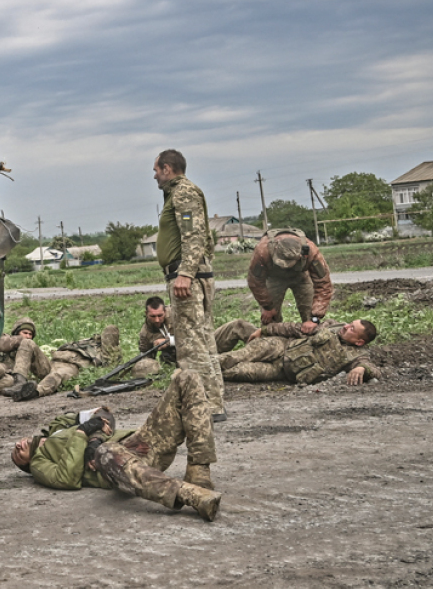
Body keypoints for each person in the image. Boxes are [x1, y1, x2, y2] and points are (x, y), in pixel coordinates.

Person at [10, 368, 221, 521]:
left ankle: (199, 470)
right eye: (18, 457)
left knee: (187, 377)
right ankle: (191, 495)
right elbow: (67, 478)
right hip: (115, 464)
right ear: (27, 465)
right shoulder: (40, 463)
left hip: (140, 443)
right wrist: (85, 434)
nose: (18, 448)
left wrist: (93, 437)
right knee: (105, 452)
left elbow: (103, 414)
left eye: (16, 447)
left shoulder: (57, 426)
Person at [153, 149, 226, 421]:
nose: (155, 176)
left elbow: (194, 236)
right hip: (192, 275)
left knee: (192, 344)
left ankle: (204, 405)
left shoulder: (183, 192)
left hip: (187, 278)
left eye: (156, 170)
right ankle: (213, 403)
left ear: (168, 168)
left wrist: (185, 273)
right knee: (201, 339)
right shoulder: (177, 193)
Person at [218, 318, 381, 386]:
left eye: (352, 328)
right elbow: (296, 328)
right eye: (350, 324)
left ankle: (199, 372)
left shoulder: (357, 356)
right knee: (235, 357)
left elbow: (374, 371)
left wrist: (361, 369)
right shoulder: (331, 326)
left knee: (240, 372)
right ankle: (199, 364)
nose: (346, 326)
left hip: (281, 371)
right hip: (281, 346)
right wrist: (265, 330)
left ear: (360, 341)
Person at [247, 228, 334, 334]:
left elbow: (323, 284)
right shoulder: (262, 251)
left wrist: (315, 317)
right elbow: (255, 281)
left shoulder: (311, 251)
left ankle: (311, 342)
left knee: (310, 314)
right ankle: (271, 343)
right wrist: (267, 306)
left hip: (301, 276)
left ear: (302, 255)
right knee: (270, 319)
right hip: (274, 278)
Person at [10, 326, 120, 401]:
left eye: (110, 335)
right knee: (27, 342)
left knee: (57, 375)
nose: (107, 336)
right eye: (106, 334)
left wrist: (111, 350)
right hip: (53, 361)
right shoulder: (87, 341)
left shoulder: (110, 353)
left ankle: (35, 391)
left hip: (71, 366)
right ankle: (19, 382)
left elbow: (112, 366)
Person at [127, 296, 177, 378]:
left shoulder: (176, 314)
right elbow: (145, 355)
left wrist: (168, 342)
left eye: (160, 315)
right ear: (146, 313)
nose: (157, 320)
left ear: (165, 311)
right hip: (170, 357)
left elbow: (191, 338)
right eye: (153, 316)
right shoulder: (145, 333)